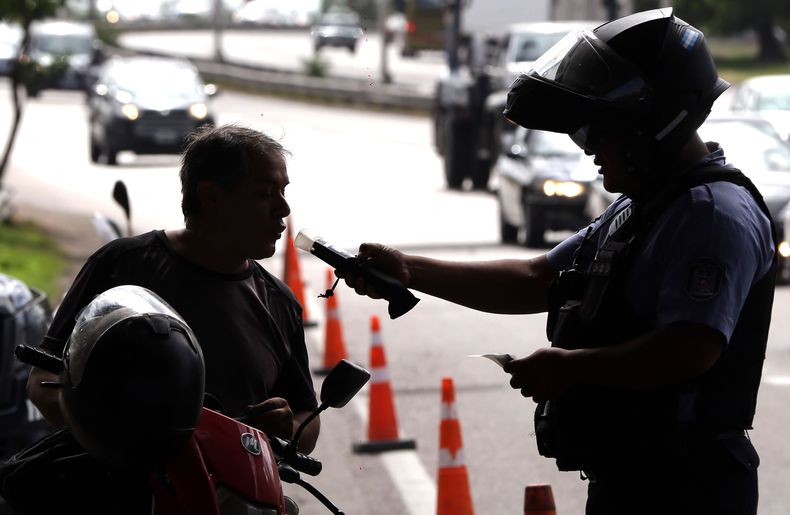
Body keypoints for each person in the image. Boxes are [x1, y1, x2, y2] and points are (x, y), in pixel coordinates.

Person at [339, 9, 776, 515]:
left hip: (689, 486)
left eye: (597, 132)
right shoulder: (643, 205)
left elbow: (691, 348)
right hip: (633, 476)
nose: (586, 149)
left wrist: (572, 368)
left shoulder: (710, 214)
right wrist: (410, 270)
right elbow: (536, 279)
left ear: (651, 127)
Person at [27, 124, 320, 454]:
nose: (283, 209)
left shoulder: (279, 303)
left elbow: (306, 418)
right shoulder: (122, 266)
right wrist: (108, 438)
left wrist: (289, 426)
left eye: (283, 192)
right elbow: (42, 380)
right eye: (265, 193)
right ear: (211, 196)